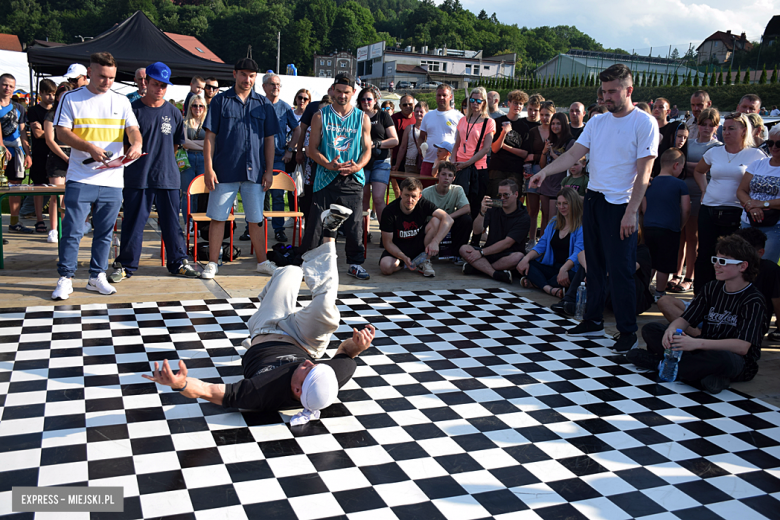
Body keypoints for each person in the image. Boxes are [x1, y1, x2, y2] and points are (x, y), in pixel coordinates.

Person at [143, 214, 377, 423]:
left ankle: (268, 299)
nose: (310, 363)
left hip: (265, 329)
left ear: (296, 389)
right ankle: (329, 234)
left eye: (308, 370)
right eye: (315, 366)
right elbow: (345, 354)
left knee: (290, 271)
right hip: (303, 340)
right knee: (328, 308)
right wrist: (357, 347)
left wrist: (180, 384)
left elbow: (209, 391)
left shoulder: (263, 392)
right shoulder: (327, 379)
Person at [530, 64, 659, 352]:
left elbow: (644, 174)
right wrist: (546, 172)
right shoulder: (597, 122)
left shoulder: (644, 123)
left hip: (621, 204)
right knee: (595, 265)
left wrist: (630, 212)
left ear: (629, 90)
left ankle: (627, 331)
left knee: (621, 269)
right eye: (603, 91)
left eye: (613, 91)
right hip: (594, 198)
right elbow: (574, 154)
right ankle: (592, 319)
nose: (606, 97)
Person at [51, 52, 143, 300]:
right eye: (102, 76)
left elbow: (133, 129)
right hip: (81, 176)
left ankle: (97, 276)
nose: (107, 81)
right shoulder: (72, 98)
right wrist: (89, 146)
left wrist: (135, 144)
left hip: (112, 178)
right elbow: (61, 132)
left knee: (105, 232)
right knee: (73, 230)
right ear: (89, 72)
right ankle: (65, 277)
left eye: (112, 77)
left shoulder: (122, 101)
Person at [629, 235, 767, 395]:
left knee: (724, 360)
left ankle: (659, 365)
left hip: (735, 359)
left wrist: (695, 344)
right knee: (651, 329)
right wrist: (672, 330)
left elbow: (742, 347)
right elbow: (686, 319)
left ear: (743, 266)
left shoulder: (753, 300)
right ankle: (703, 376)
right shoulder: (712, 288)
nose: (716, 265)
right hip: (703, 349)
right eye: (715, 259)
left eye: (723, 262)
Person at [109, 62, 199, 283]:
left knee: (171, 223)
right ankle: (126, 265)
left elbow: (176, 145)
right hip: (138, 176)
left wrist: (164, 162)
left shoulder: (173, 112)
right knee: (133, 223)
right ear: (145, 82)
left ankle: (178, 262)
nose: (160, 89)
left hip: (168, 176)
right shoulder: (133, 110)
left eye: (164, 85)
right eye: (156, 84)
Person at [201, 58, 280, 280]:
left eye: (252, 76)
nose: (248, 79)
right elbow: (210, 137)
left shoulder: (264, 104)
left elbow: (269, 140)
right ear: (235, 74)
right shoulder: (219, 101)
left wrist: (269, 170)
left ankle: (262, 262)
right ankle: (212, 263)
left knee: (255, 219)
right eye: (244, 74)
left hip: (255, 171)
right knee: (218, 218)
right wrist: (209, 168)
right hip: (224, 169)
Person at [304, 73, 372, 280]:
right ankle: (311, 262)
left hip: (353, 177)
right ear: (332, 90)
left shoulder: (362, 118)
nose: (342, 96)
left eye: (347, 92)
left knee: (353, 224)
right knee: (317, 223)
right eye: (339, 91)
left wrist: (358, 166)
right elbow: (311, 149)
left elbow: (367, 149)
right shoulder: (320, 116)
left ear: (353, 93)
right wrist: (327, 163)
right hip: (325, 176)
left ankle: (355, 263)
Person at [693, 113, 766, 294]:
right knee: (704, 255)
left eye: (731, 128)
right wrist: (704, 190)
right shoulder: (714, 151)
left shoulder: (755, 154)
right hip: (709, 209)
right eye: (724, 128)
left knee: (731, 257)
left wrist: (754, 202)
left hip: (736, 212)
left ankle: (727, 296)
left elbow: (763, 179)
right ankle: (700, 296)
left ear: (744, 131)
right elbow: (699, 171)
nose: (726, 132)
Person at [669, 108, 722, 293]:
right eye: (703, 124)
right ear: (697, 124)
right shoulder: (688, 143)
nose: (706, 128)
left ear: (716, 127)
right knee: (679, 236)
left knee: (693, 238)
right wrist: (695, 167)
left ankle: (689, 277)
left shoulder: (717, 147)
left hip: (700, 195)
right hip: (680, 193)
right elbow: (673, 164)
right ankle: (676, 274)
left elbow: (703, 169)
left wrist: (685, 166)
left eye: (711, 125)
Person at [552, 230, 653, 318]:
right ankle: (568, 300)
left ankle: (589, 307)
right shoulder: (611, 247)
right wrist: (590, 271)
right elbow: (582, 254)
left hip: (635, 300)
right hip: (614, 298)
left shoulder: (641, 250)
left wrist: (597, 274)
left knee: (617, 273)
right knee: (589, 263)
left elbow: (626, 269)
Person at [641, 148, 691, 299]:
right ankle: (659, 292)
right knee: (664, 263)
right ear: (676, 165)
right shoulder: (680, 185)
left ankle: (643, 289)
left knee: (650, 261)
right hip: (669, 228)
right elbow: (687, 209)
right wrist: (680, 225)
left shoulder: (649, 183)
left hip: (649, 227)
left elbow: (643, 207)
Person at [379, 177, 453, 277]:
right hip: (399, 249)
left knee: (436, 220)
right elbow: (387, 243)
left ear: (419, 196)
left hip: (420, 246)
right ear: (400, 194)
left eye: (413, 196)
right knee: (385, 267)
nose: (410, 200)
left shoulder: (423, 203)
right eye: (406, 195)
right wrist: (403, 257)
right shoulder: (389, 211)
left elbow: (448, 219)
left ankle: (425, 260)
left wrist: (435, 241)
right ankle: (408, 263)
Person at [518, 187, 584, 298]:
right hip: (552, 266)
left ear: (573, 204)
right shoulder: (554, 223)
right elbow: (541, 246)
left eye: (565, 204)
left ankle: (537, 283)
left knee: (574, 277)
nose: (561, 207)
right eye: (559, 204)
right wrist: (526, 259)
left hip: (570, 269)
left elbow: (578, 253)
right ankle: (549, 289)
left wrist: (564, 269)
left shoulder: (581, 226)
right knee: (526, 263)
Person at [460, 178, 529, 284]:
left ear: (516, 194)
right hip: (489, 253)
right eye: (499, 195)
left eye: (506, 195)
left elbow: (507, 243)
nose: (502, 198)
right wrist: (482, 212)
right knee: (464, 248)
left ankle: (478, 268)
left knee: (518, 257)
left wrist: (481, 253)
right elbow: (477, 230)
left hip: (507, 255)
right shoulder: (494, 207)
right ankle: (494, 273)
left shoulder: (523, 216)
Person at [261, 73, 301, 244]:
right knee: (257, 194)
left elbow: (297, 130)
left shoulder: (285, 107)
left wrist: (290, 150)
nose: (276, 87)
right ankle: (252, 227)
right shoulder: (256, 105)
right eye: (272, 84)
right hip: (257, 158)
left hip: (278, 157)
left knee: (278, 195)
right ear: (264, 87)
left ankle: (278, 229)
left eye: (278, 84)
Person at [737, 125, 780, 263]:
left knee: (766, 265)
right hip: (749, 221)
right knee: (744, 264)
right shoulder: (758, 164)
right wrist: (751, 205)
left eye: (779, 143)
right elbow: (741, 190)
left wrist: (763, 204)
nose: (774, 147)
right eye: (770, 143)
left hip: (775, 225)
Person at [453, 86, 496, 222]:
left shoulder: (489, 122)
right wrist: (453, 162)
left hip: (477, 168)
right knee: (459, 203)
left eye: (478, 101)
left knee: (476, 204)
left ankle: (476, 237)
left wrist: (466, 163)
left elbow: (486, 149)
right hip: (459, 166)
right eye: (472, 100)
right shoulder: (463, 120)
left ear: (484, 102)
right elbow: (457, 144)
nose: (475, 103)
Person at [358, 86, 398, 228]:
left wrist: (377, 143)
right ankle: (363, 233)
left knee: (378, 198)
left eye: (369, 99)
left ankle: (385, 232)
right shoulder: (356, 115)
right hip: (361, 161)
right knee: (363, 198)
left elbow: (395, 140)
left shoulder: (383, 116)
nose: (366, 102)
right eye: (363, 99)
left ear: (375, 100)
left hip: (380, 161)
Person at [1, 73, 34, 234]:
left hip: (16, 150)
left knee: (16, 186)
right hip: (1, 151)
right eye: (4, 84)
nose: (7, 88)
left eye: (11, 86)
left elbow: (22, 133)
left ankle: (14, 222)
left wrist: (27, 153)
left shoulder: (19, 108)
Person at [421, 161, 472, 263]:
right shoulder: (426, 193)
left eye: (450, 175)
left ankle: (456, 254)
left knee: (466, 219)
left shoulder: (457, 190)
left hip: (448, 223)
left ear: (453, 178)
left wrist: (447, 218)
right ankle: (427, 252)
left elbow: (467, 208)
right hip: (431, 225)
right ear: (438, 175)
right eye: (443, 174)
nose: (446, 178)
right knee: (435, 220)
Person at [42, 83, 72, 243]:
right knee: (56, 195)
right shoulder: (51, 114)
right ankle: (53, 229)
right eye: (62, 95)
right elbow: (49, 140)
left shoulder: (73, 114)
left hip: (73, 154)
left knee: (69, 195)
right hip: (57, 155)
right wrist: (64, 157)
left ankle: (66, 228)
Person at [27, 79, 57, 235]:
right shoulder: (33, 111)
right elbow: (37, 134)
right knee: (38, 187)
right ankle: (39, 219)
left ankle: (56, 221)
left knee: (55, 190)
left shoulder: (58, 110)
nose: (51, 97)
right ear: (40, 94)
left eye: (53, 94)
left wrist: (51, 135)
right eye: (47, 94)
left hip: (56, 154)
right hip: (39, 153)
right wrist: (53, 134)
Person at [488, 90, 531, 199]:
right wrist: (504, 132)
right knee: (496, 201)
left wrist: (505, 146)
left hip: (515, 170)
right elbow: (495, 148)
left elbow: (524, 153)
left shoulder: (524, 126)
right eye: (515, 103)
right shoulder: (497, 122)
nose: (518, 106)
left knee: (512, 203)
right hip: (497, 168)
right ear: (509, 103)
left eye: (521, 104)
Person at [539, 112, 576, 230]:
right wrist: (544, 151)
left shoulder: (571, 142)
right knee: (544, 217)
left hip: (559, 184)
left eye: (558, 124)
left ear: (564, 125)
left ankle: (554, 244)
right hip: (546, 183)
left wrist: (554, 155)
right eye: (553, 124)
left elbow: (569, 164)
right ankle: (543, 244)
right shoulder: (549, 140)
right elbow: (542, 165)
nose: (555, 126)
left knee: (554, 218)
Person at [526, 101, 556, 245]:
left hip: (551, 173)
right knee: (532, 210)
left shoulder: (557, 130)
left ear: (553, 115)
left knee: (546, 212)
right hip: (534, 171)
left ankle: (543, 241)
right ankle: (531, 239)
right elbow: (528, 155)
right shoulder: (533, 131)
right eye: (542, 115)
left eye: (547, 115)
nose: (544, 118)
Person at [418, 84, 462, 177]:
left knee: (446, 191)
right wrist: (421, 150)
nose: (441, 97)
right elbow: (421, 137)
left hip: (449, 163)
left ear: (450, 97)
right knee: (425, 190)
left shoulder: (459, 116)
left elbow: (462, 140)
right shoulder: (428, 115)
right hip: (428, 161)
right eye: (439, 95)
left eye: (444, 95)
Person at [179, 94, 207, 219]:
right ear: (190, 107)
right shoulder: (184, 122)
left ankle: (197, 224)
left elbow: (212, 143)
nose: (197, 108)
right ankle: (188, 223)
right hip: (187, 159)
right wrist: (203, 145)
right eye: (194, 106)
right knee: (187, 193)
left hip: (203, 159)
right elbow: (184, 143)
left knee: (200, 193)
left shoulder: (208, 122)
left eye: (201, 106)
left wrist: (193, 144)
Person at [394, 101, 427, 174]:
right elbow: (403, 147)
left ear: (426, 113)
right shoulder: (409, 128)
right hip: (410, 162)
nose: (418, 114)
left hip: (425, 162)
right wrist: (397, 164)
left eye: (421, 112)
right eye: (416, 111)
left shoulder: (429, 128)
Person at [651, 98, 677, 177]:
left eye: (661, 107)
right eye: (655, 107)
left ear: (668, 111)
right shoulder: (648, 129)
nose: (656, 109)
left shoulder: (673, 129)